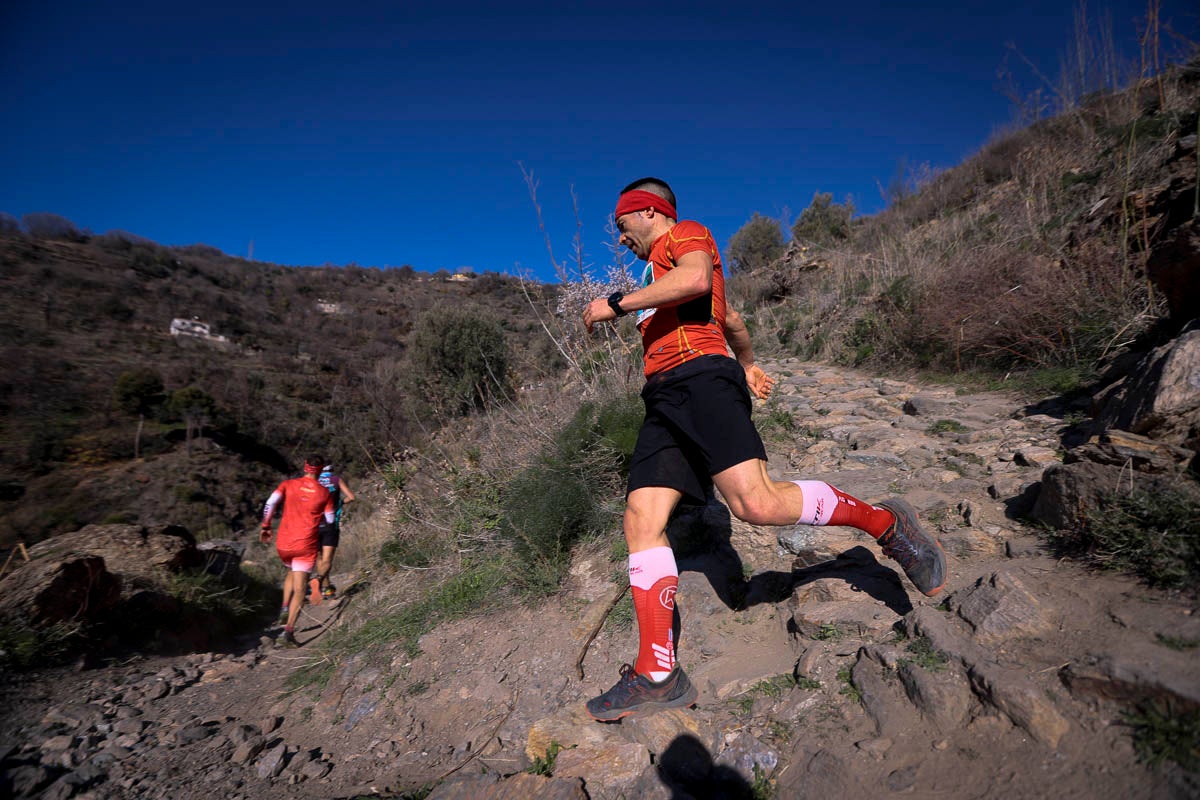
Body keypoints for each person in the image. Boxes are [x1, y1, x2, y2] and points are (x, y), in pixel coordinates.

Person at [580, 177, 947, 721]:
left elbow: (696, 278)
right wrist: (750, 364)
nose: (619, 236)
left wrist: (615, 303)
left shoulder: (684, 236)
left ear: (650, 211)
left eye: (622, 223)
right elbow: (729, 318)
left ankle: (886, 524)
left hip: (701, 380)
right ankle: (658, 674)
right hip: (663, 398)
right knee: (641, 519)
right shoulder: (657, 271)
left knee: (756, 504)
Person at [260, 456, 335, 646]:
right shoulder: (324, 493)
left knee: (291, 572)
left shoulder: (287, 484)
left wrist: (266, 526)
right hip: (305, 544)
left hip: (284, 544)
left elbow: (270, 503)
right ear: (320, 470)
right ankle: (288, 631)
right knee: (301, 589)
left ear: (305, 467)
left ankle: (284, 608)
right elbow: (330, 519)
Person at [315, 464, 356, 599]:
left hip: (314, 525)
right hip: (330, 523)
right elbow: (351, 497)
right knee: (327, 559)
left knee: (319, 558)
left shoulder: (313, 482)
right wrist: (341, 503)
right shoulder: (336, 480)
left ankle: (326, 588)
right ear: (331, 471)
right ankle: (319, 582)